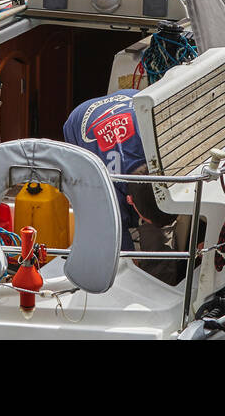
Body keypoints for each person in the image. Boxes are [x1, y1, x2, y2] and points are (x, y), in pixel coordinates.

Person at [63, 90, 182, 284]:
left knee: (159, 235)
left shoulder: (161, 151)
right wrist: (126, 262)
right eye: (145, 218)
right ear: (129, 200)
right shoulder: (104, 189)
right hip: (79, 119)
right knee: (115, 241)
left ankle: (161, 283)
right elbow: (112, 230)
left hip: (131, 98)